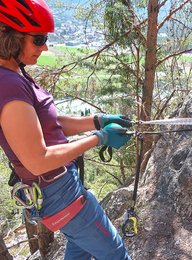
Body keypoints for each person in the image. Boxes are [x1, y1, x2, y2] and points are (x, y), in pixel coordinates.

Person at [0, 0, 132, 259]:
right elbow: (38, 161)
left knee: (80, 251)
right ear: (11, 37)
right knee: (116, 254)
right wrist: (99, 138)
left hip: (57, 189)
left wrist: (97, 121)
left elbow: (49, 124)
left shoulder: (15, 74)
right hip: (57, 189)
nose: (45, 47)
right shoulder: (8, 85)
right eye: (38, 40)